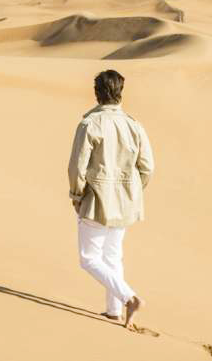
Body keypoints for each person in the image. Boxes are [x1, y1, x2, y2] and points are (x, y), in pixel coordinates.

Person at [68, 69, 154, 329]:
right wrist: (133, 192)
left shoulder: (90, 124)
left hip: (97, 199)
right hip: (126, 201)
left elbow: (77, 166)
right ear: (120, 92)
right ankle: (113, 310)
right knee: (112, 256)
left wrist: (76, 194)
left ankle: (129, 298)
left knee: (89, 258)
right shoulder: (134, 125)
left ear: (97, 93)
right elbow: (147, 167)